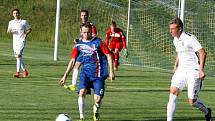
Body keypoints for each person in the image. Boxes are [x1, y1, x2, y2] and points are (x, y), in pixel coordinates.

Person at [59, 23, 115, 121]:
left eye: (88, 32)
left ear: (91, 31)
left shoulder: (98, 42)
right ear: (81, 32)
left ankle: (96, 111)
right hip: (85, 73)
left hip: (98, 75)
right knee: (81, 93)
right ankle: (82, 117)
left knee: (97, 100)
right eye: (84, 32)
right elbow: (72, 61)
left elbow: (109, 56)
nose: (86, 34)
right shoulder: (79, 45)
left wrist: (111, 71)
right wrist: (65, 76)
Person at [167, 18, 212, 121]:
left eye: (173, 29)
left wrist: (201, 70)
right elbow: (179, 52)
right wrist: (176, 65)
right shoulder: (175, 40)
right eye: (170, 29)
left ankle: (207, 111)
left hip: (193, 71)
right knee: (173, 91)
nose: (171, 31)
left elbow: (202, 52)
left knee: (192, 101)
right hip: (181, 71)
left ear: (180, 29)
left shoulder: (190, 38)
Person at [64, 10, 98, 91]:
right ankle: (73, 85)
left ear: (88, 16)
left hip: (90, 50)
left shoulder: (91, 25)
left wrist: (79, 40)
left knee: (91, 68)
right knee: (76, 65)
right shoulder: (82, 25)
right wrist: (78, 42)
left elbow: (94, 35)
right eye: (82, 15)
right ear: (80, 16)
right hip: (82, 49)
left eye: (85, 15)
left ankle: (99, 82)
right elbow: (83, 38)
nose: (84, 17)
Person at [7, 8, 32, 78]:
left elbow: (30, 29)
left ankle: (17, 72)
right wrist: (10, 31)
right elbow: (8, 30)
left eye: (17, 13)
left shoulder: (24, 22)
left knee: (18, 55)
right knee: (18, 58)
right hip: (15, 42)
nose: (16, 14)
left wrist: (26, 34)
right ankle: (25, 71)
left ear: (19, 14)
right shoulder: (11, 22)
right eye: (14, 13)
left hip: (22, 41)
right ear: (12, 14)